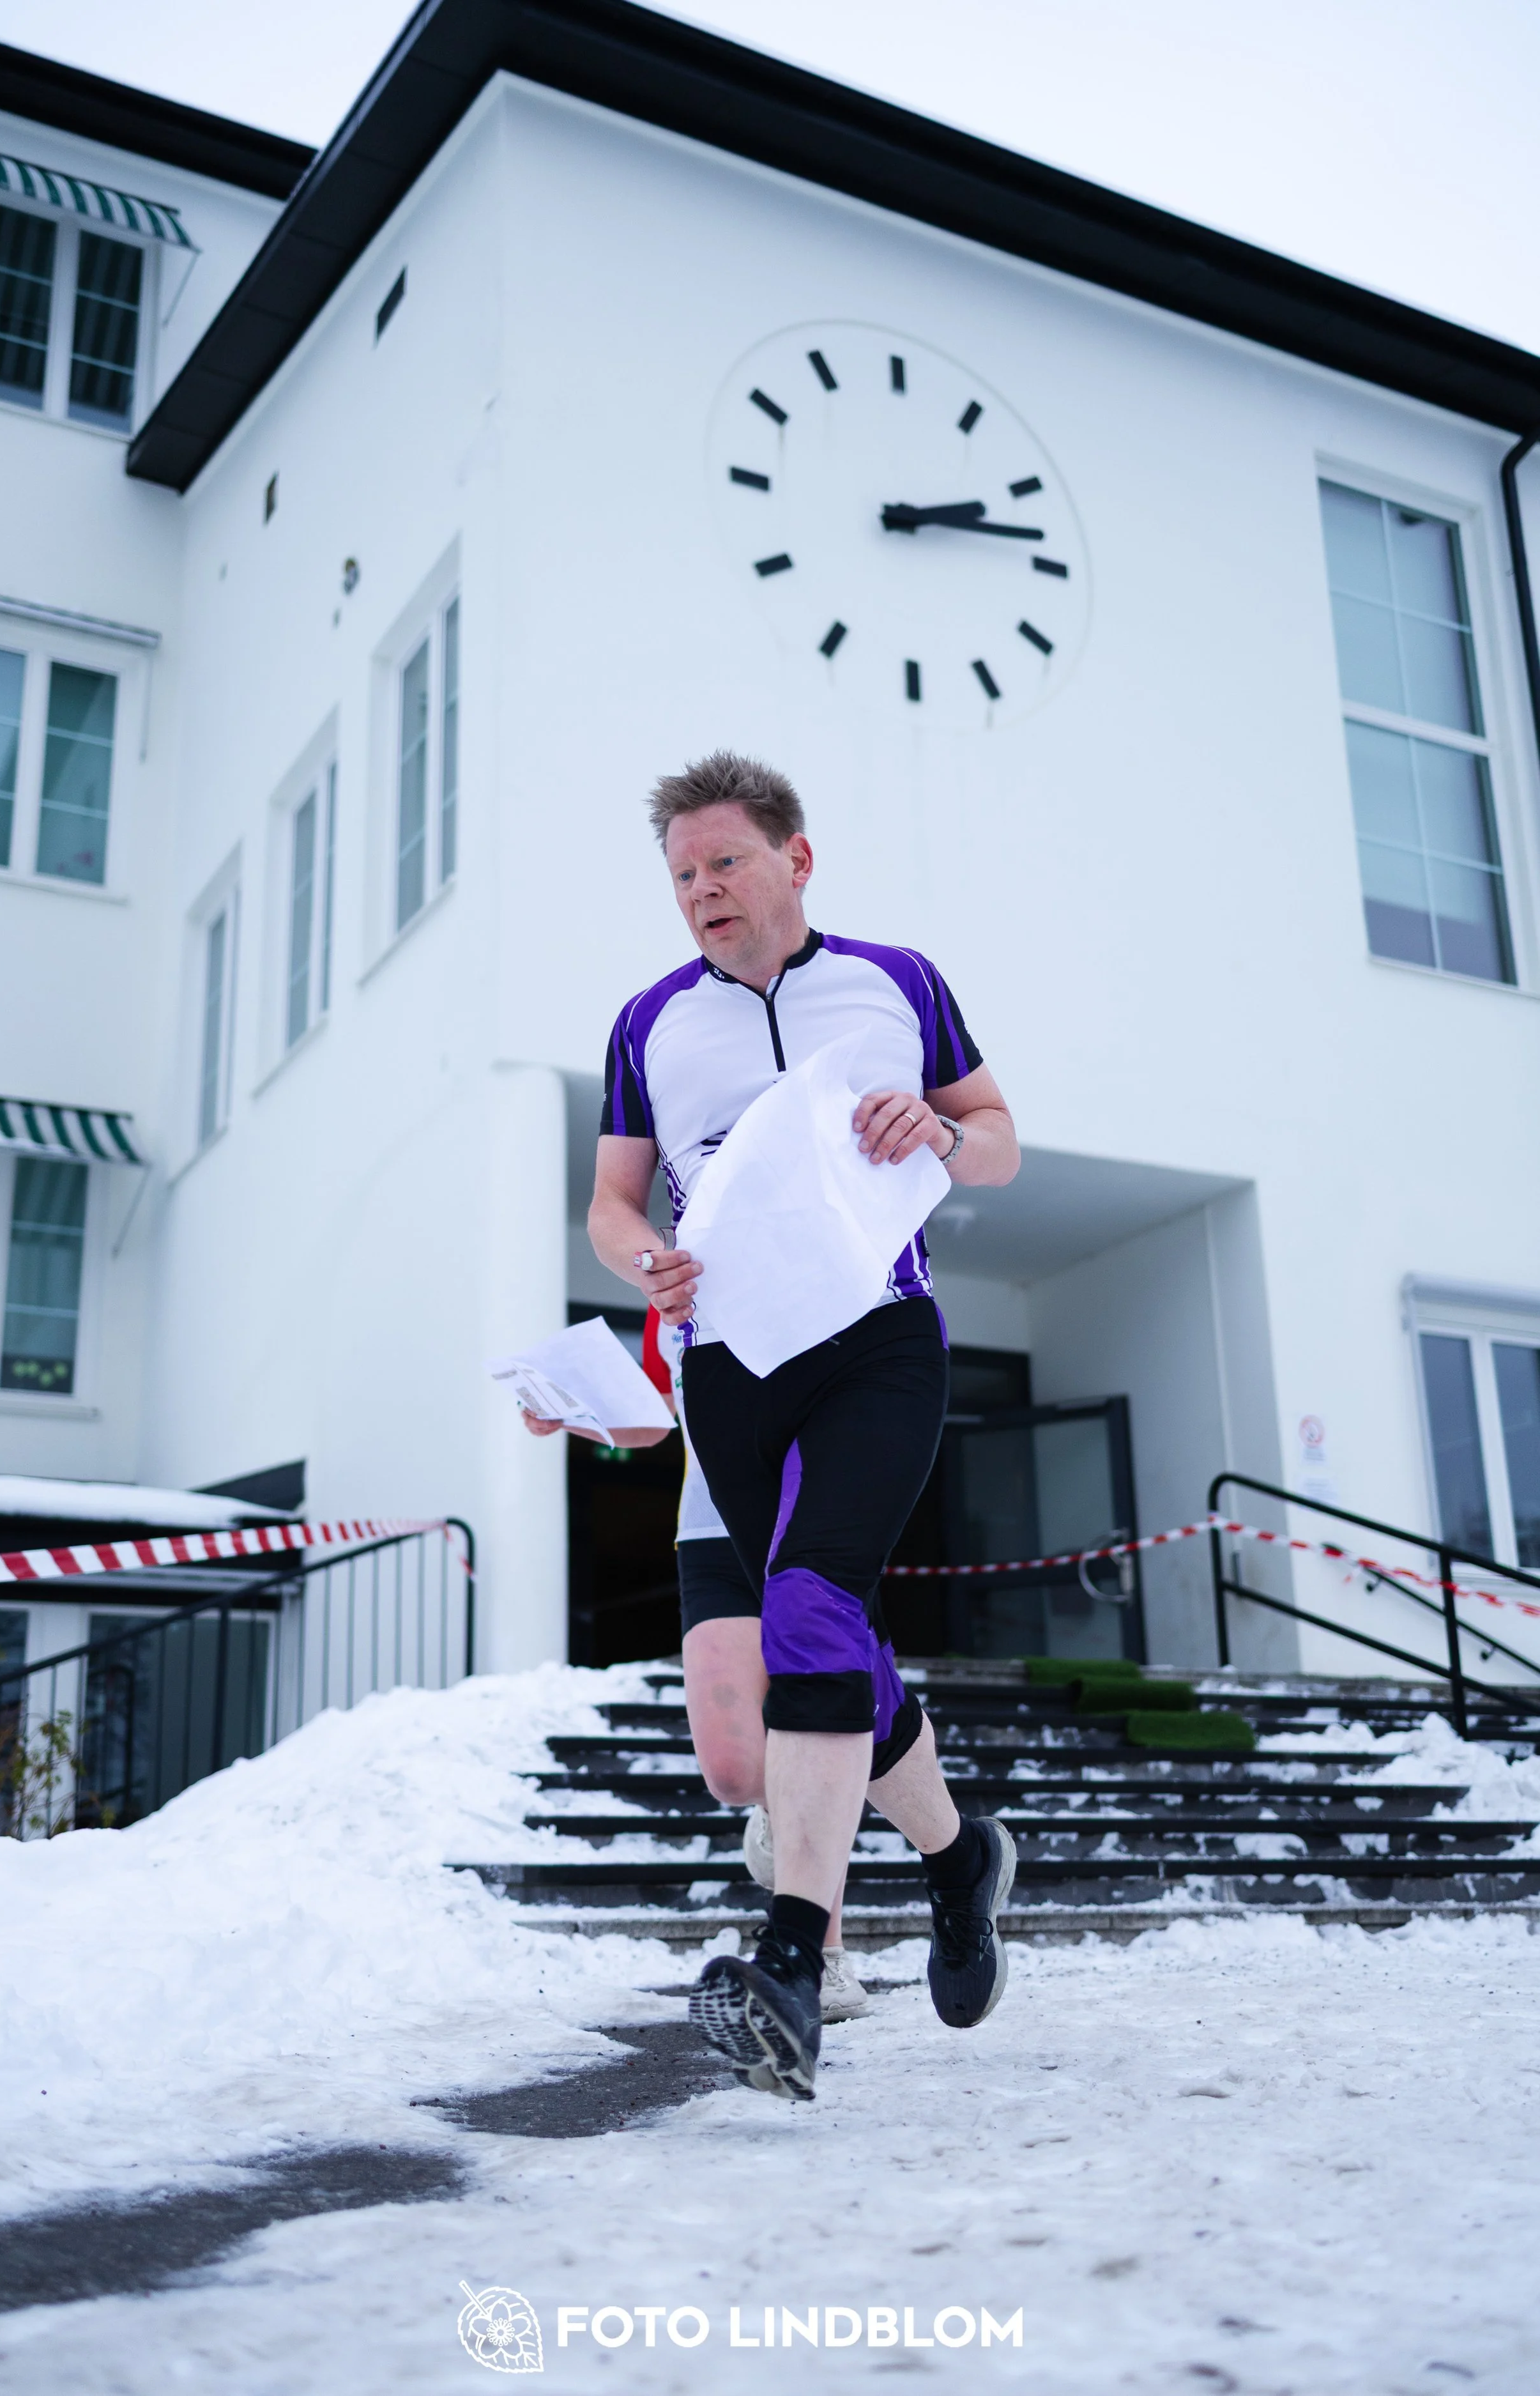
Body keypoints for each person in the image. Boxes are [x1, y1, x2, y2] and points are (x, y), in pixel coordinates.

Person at [590, 750, 1022, 2101]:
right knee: (811, 1623)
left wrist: (940, 1140)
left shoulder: (897, 981)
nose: (701, 891)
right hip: (729, 1361)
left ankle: (792, 1952)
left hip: (879, 1338)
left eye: (722, 861)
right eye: (679, 875)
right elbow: (611, 1205)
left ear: (794, 858)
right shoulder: (647, 1022)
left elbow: (999, 1134)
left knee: (813, 1610)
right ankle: (958, 1860)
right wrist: (635, 1262)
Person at [520, 1310, 870, 2020]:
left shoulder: (809, 1264)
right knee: (736, 1772)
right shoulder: (665, 1305)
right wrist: (567, 1420)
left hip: (817, 1526)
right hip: (712, 1535)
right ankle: (780, 1816)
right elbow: (652, 1423)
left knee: (809, 1733)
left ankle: (824, 1957)